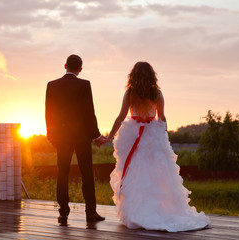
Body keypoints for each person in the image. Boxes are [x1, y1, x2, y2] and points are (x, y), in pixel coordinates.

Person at [106, 61, 211, 232]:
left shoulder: (130, 93)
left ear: (133, 75)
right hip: (152, 135)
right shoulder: (157, 94)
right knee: (156, 174)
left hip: (132, 134)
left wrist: (110, 136)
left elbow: (120, 117)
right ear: (151, 75)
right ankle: (157, 210)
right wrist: (162, 137)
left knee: (136, 173)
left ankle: (137, 211)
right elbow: (161, 118)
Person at [45, 54, 106, 225]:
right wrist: (96, 136)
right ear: (80, 69)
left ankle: (63, 213)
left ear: (65, 65)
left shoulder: (52, 85)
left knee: (62, 173)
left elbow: (49, 113)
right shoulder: (84, 85)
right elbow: (89, 112)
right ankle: (90, 213)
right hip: (81, 137)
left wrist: (51, 135)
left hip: (61, 138)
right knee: (86, 174)